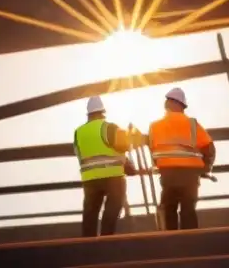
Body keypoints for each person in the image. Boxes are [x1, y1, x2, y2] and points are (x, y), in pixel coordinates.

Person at [147, 87, 216, 231]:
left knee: (168, 209)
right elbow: (209, 148)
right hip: (189, 175)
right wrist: (206, 167)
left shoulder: (154, 127)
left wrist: (162, 165)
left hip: (168, 175)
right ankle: (190, 243)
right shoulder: (191, 124)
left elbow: (153, 152)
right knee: (188, 210)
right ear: (181, 105)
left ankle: (170, 244)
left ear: (167, 105)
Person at [73, 96, 135, 238]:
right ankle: (106, 238)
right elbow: (124, 146)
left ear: (88, 114)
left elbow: (78, 154)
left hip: (89, 179)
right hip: (112, 177)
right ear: (102, 112)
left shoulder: (78, 133)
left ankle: (88, 245)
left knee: (90, 213)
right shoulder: (109, 127)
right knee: (113, 206)